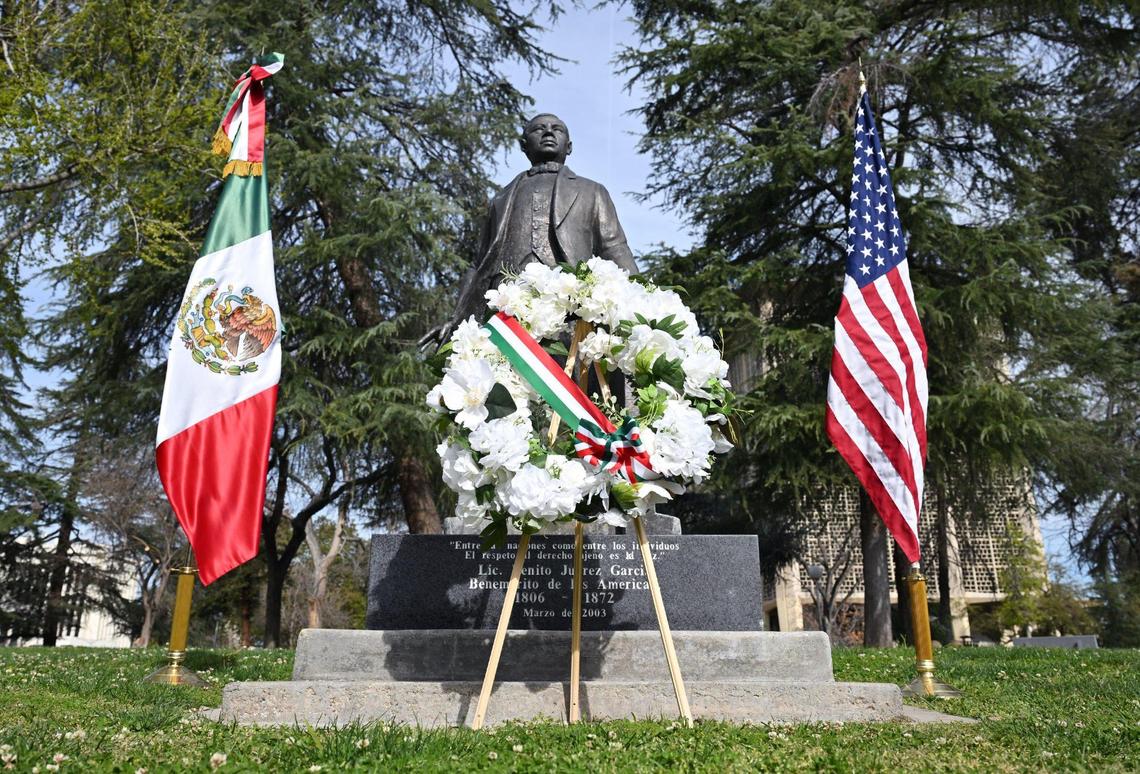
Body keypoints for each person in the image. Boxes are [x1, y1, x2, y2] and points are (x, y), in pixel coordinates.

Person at [426, 113, 638, 344]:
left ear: (569, 146)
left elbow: (615, 248)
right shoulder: (500, 199)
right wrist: (457, 318)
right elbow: (479, 264)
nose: (548, 132)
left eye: (557, 128)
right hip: (505, 313)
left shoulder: (592, 191)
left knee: (563, 378)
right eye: (539, 128)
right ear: (524, 146)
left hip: (569, 308)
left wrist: (641, 304)